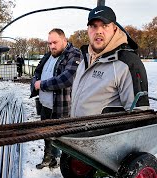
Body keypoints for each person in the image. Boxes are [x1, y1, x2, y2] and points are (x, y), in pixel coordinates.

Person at [71, 6, 149, 118]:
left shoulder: (128, 62)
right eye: (93, 26)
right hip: (75, 132)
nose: (98, 31)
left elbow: (139, 116)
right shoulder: (85, 58)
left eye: (105, 26)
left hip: (104, 135)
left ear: (115, 29)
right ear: (88, 30)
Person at [30, 28, 81, 169]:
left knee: (62, 137)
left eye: (55, 42)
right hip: (45, 104)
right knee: (46, 134)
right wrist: (34, 81)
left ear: (64, 40)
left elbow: (66, 79)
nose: (52, 46)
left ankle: (66, 165)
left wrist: (41, 84)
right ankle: (49, 159)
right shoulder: (48, 55)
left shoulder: (74, 54)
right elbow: (37, 71)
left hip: (61, 106)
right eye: (49, 43)